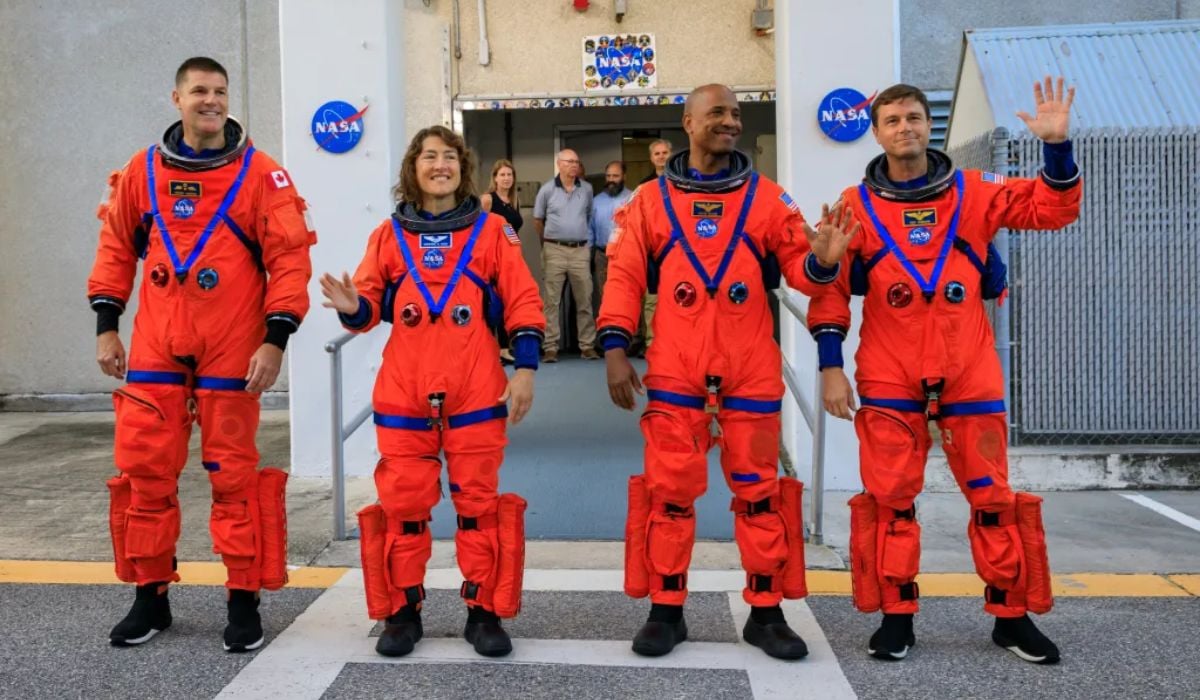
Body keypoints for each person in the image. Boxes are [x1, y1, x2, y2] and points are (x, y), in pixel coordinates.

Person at [808, 79, 1081, 664]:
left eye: (912, 117)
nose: (904, 127)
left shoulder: (977, 192)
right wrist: (831, 367)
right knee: (891, 501)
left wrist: (1057, 149)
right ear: (876, 133)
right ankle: (897, 616)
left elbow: (1054, 208)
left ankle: (1011, 617)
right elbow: (828, 291)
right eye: (892, 120)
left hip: (968, 370)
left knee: (992, 499)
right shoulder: (852, 207)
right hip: (888, 372)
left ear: (925, 124)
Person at [598, 84, 857, 660]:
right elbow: (623, 278)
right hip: (675, 370)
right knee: (669, 496)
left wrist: (823, 259)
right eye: (717, 113)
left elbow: (803, 275)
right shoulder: (646, 201)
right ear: (687, 122)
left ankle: (766, 613)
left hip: (750, 371)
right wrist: (615, 348)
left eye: (737, 115)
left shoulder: (768, 199)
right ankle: (666, 611)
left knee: (760, 494)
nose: (731, 123)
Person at [88, 56, 315, 652]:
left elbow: (289, 263)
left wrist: (276, 339)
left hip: (233, 349)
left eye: (218, 91)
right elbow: (116, 247)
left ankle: (243, 601)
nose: (209, 100)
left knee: (234, 477)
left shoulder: (263, 175)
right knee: (145, 474)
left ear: (227, 98)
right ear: (177, 98)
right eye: (198, 91)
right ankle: (149, 598)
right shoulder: (142, 172)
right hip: (159, 344)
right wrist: (107, 327)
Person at [320, 125, 544, 659]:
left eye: (449, 156)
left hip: (475, 391)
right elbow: (368, 309)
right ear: (412, 169)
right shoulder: (388, 236)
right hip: (405, 393)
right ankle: (402, 612)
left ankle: (483, 612)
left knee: (478, 509)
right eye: (428, 156)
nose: (439, 165)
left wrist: (527, 369)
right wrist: (353, 305)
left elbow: (523, 302)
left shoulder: (492, 232)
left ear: (462, 167)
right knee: (404, 509)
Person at [533, 149, 598, 362]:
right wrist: (548, 243)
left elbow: (588, 216)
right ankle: (551, 347)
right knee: (552, 301)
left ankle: (587, 346)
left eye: (576, 162)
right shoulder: (547, 190)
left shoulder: (587, 189)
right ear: (559, 164)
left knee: (585, 300)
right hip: (555, 250)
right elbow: (538, 220)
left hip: (580, 250)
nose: (574, 166)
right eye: (570, 162)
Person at [481, 159, 524, 363]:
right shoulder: (488, 200)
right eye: (503, 175)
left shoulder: (515, 200)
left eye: (509, 175)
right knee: (491, 303)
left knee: (508, 302)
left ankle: (505, 347)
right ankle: (488, 347)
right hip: (491, 259)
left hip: (511, 258)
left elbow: (513, 231)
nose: (506, 178)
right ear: (495, 178)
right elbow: (477, 231)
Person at [590, 160, 633, 309]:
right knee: (605, 295)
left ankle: (632, 332)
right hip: (602, 255)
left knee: (627, 293)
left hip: (625, 255)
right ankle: (607, 329)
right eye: (608, 176)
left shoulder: (633, 199)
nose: (611, 180)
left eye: (615, 176)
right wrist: (590, 256)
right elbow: (591, 230)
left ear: (624, 177)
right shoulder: (596, 201)